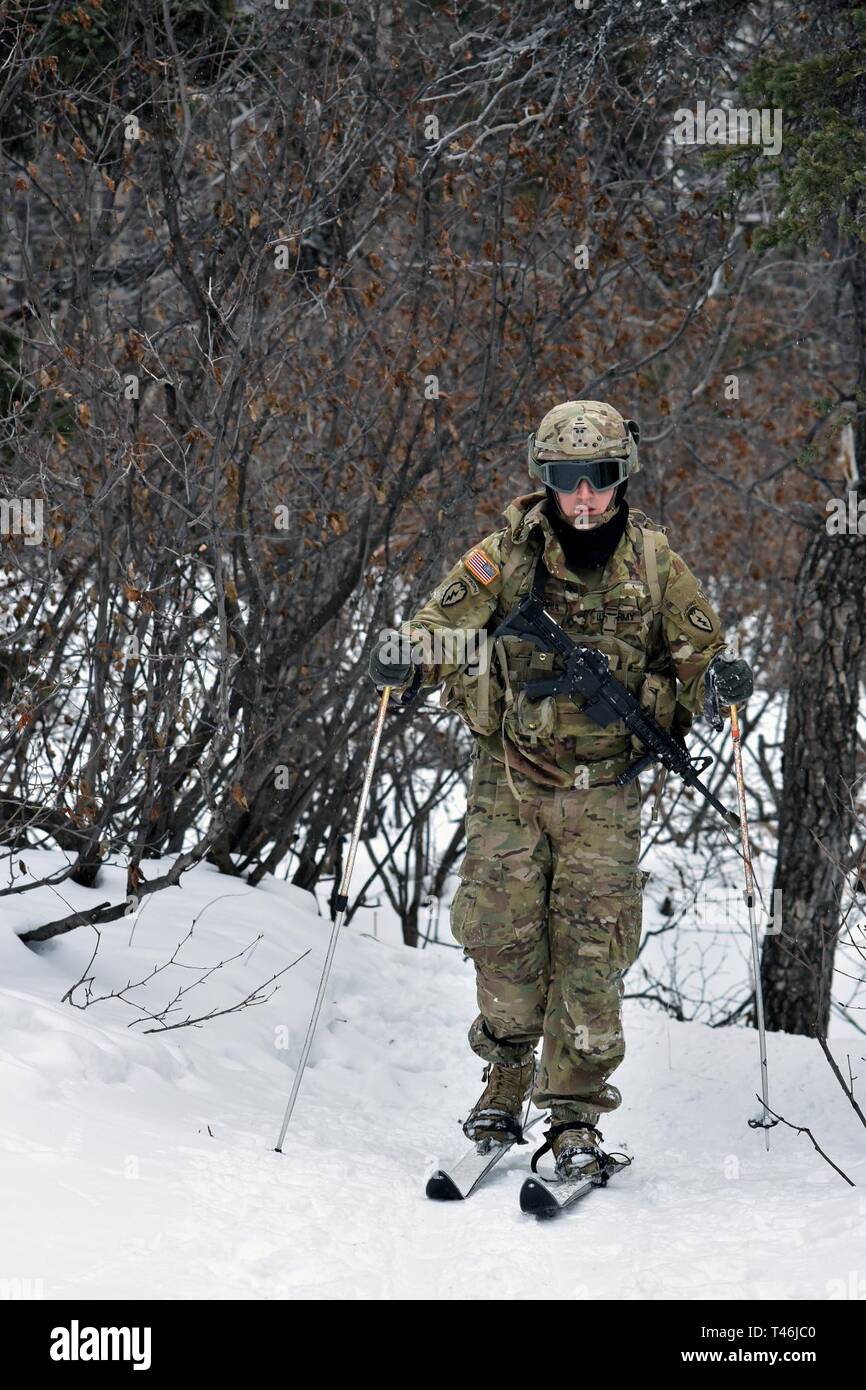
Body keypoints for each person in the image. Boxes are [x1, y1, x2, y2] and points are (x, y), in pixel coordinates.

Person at [368, 400, 753, 1180]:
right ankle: (505, 1084)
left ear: (622, 479)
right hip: (510, 780)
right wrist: (406, 657)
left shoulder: (653, 562)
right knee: (503, 942)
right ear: (546, 480)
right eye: (568, 480)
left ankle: (574, 1114)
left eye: (600, 479)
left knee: (591, 954)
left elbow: (700, 648)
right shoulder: (504, 556)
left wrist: (720, 679)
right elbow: (441, 625)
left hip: (605, 790)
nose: (584, 497)